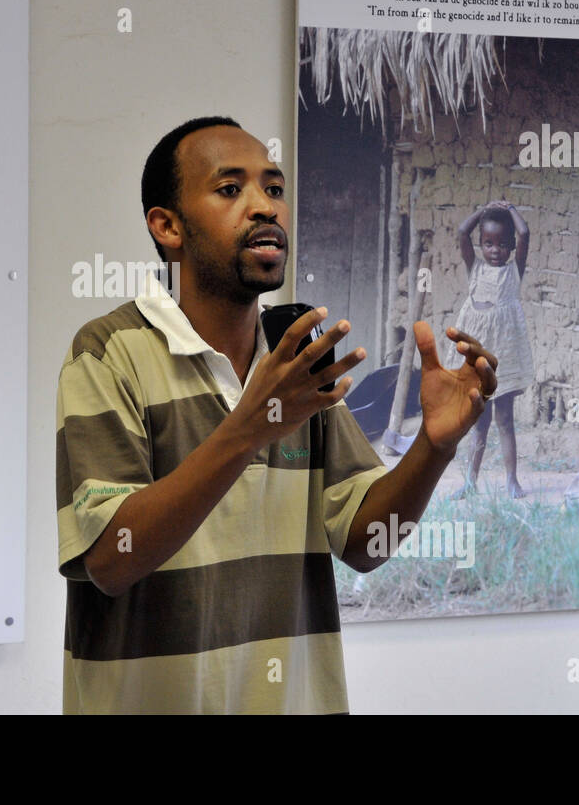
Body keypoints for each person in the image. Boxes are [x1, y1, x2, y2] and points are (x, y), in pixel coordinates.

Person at [55, 117, 499, 714]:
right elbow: (111, 558)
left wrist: (435, 448)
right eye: (231, 189)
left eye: (274, 187)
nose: (264, 207)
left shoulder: (295, 360)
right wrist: (251, 426)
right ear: (167, 226)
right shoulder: (108, 352)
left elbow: (366, 543)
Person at [447, 200, 534, 499]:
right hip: (478, 353)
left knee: (505, 418)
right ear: (481, 245)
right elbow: (461, 231)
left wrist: (509, 208)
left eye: (501, 244)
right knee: (479, 421)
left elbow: (525, 233)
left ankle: (512, 480)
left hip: (505, 355)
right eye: (488, 243)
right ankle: (471, 482)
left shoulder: (514, 271)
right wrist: (483, 210)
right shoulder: (475, 268)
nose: (494, 250)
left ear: (510, 247)